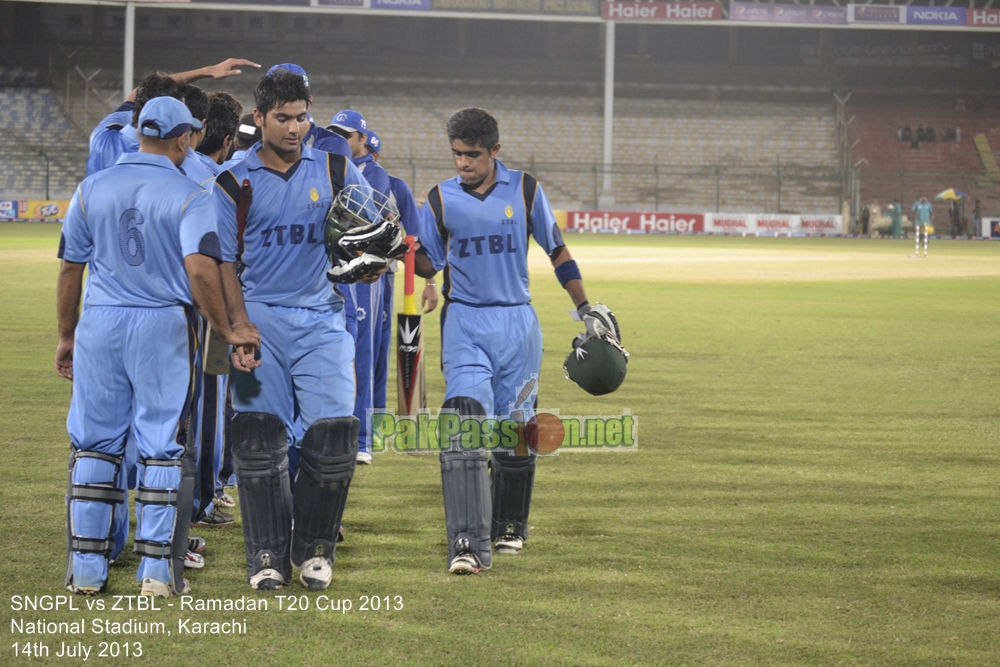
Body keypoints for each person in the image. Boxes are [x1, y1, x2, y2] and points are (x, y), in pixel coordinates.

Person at [57, 96, 260, 598]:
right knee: (161, 446)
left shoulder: (90, 188)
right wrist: (228, 327)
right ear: (182, 138)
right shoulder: (190, 193)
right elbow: (199, 269)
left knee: (95, 444)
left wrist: (66, 336)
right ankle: (155, 574)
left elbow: (69, 270)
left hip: (99, 323)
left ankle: (86, 568)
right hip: (162, 324)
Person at [414, 108, 619, 575]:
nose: (463, 163)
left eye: (472, 155)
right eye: (456, 155)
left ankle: (509, 525)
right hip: (465, 321)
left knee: (517, 432)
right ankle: (465, 541)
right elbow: (430, 263)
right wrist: (402, 253)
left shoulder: (525, 190)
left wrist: (585, 307)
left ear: (494, 152)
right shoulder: (440, 199)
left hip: (518, 326)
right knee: (465, 421)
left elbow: (557, 249)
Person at [213, 72, 395, 591]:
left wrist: (372, 257)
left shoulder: (337, 167)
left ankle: (315, 547)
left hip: (322, 318)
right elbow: (224, 262)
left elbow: (371, 226)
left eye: (302, 117)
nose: (295, 128)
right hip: (260, 321)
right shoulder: (233, 179)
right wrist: (238, 326)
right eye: (283, 118)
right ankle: (265, 554)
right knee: (258, 441)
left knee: (335, 434)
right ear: (259, 118)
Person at [328, 110, 392, 465]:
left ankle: (363, 438)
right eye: (335, 133)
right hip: (340, 269)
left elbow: (363, 226)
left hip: (362, 273)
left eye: (347, 135)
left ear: (362, 139)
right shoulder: (332, 167)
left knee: (363, 352)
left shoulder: (373, 175)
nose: (341, 140)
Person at [86, 59, 259, 177]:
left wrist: (206, 71)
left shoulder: (102, 136)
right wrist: (207, 71)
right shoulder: (171, 158)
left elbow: (136, 95)